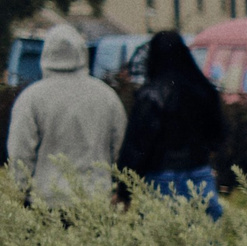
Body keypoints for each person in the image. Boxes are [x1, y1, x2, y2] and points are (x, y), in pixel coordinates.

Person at [6, 23, 126, 203]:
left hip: (47, 199)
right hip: (96, 198)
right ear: (82, 52)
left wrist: (22, 189)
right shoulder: (107, 96)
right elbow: (119, 147)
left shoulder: (31, 98)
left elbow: (20, 152)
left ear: (46, 54)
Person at [116, 30, 228, 218]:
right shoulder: (203, 90)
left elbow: (136, 147)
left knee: (164, 240)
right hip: (199, 171)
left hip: (160, 175)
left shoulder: (150, 95)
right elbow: (218, 136)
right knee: (204, 239)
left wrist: (124, 190)